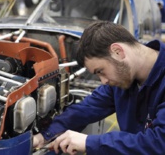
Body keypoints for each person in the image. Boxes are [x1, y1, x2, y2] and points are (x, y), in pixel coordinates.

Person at [33, 21, 165, 154]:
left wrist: (88, 142)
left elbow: (159, 144)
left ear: (117, 52)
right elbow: (86, 109)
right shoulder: (123, 78)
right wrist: (45, 136)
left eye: (100, 71)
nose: (103, 81)